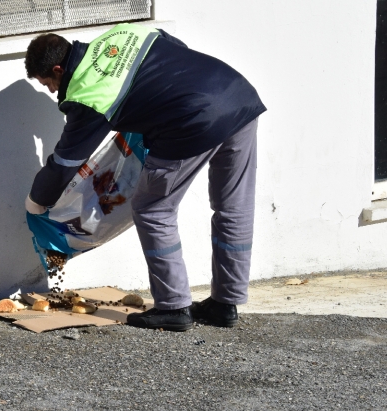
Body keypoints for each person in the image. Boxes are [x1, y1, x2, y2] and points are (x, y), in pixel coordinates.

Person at [24, 23, 266, 332]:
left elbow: (64, 164)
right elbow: (172, 46)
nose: (52, 91)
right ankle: (225, 303)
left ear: (58, 69)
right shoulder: (121, 36)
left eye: (49, 84)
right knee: (234, 207)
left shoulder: (88, 93)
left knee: (153, 209)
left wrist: (36, 203)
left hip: (194, 119)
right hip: (238, 96)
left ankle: (173, 307)